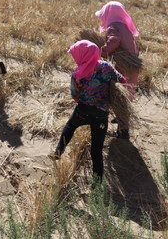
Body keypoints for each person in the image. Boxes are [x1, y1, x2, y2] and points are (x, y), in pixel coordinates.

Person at [50, 40, 125, 181]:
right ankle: (97, 181)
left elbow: (74, 95)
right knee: (96, 149)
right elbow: (122, 81)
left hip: (83, 110)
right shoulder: (106, 67)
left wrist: (84, 99)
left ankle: (59, 151)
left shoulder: (78, 74)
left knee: (70, 126)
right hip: (101, 115)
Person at [95, 1, 141, 140]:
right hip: (131, 67)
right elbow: (135, 46)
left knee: (119, 96)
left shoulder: (114, 26)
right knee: (126, 95)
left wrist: (102, 51)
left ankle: (123, 131)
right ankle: (121, 118)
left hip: (124, 69)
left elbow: (114, 41)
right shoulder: (124, 26)